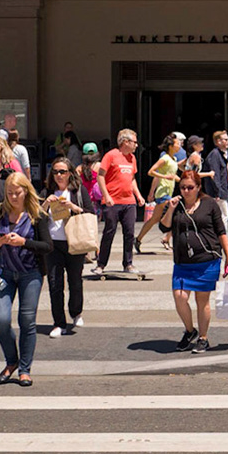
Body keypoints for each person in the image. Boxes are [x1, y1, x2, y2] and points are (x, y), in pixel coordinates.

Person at [0, 172, 54, 386]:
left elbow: (47, 246)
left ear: (26, 191)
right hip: (2, 272)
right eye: (9, 193)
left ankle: (25, 369)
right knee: (1, 320)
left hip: (30, 272)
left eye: (17, 193)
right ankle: (11, 361)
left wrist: (24, 242)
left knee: (27, 321)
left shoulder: (37, 214)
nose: (13, 197)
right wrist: (1, 241)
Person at [159, 170, 228, 353]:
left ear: (198, 187)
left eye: (190, 187)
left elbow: (221, 231)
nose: (186, 191)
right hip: (182, 262)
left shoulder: (209, 204)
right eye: (183, 187)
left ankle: (203, 337)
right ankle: (189, 331)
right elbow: (164, 226)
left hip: (207, 260)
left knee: (202, 300)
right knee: (180, 296)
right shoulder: (176, 205)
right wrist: (170, 208)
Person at [42, 157, 91, 337]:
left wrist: (72, 206)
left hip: (74, 242)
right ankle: (59, 323)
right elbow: (36, 216)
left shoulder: (78, 191)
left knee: (75, 281)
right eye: (55, 172)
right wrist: (46, 203)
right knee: (55, 283)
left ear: (70, 173)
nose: (59, 175)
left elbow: (90, 213)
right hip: (53, 243)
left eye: (62, 171)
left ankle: (76, 311)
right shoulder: (47, 191)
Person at [94, 130, 141, 277]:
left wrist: (138, 195)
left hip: (129, 201)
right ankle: (101, 264)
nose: (136, 145)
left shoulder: (132, 158)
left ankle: (128, 263)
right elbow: (100, 176)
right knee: (109, 232)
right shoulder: (111, 155)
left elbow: (132, 178)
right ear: (125, 142)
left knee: (129, 233)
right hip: (112, 201)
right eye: (134, 142)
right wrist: (106, 195)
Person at [136, 133, 185, 252]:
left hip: (168, 191)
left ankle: (138, 239)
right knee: (175, 214)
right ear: (171, 146)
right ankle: (170, 240)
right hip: (163, 193)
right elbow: (151, 172)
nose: (179, 146)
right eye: (177, 144)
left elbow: (173, 175)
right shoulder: (164, 159)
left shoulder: (173, 159)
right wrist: (165, 176)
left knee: (154, 219)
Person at [204, 129, 228, 200]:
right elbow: (215, 175)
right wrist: (218, 193)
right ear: (218, 141)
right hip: (218, 196)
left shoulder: (223, 155)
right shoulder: (215, 155)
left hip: (224, 193)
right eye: (226, 140)